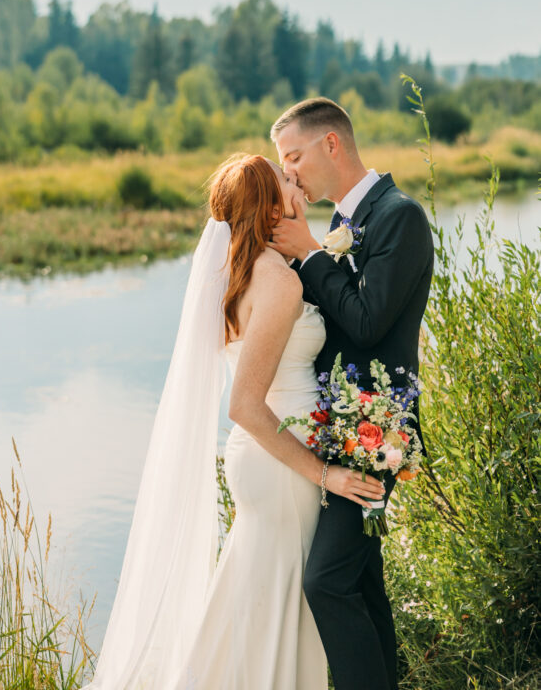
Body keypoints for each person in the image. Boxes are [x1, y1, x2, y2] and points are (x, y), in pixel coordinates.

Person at [87, 152, 385, 690]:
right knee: (279, 610)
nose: (294, 180)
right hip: (283, 463)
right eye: (284, 179)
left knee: (256, 599)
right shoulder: (278, 283)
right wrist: (326, 474)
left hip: (266, 458)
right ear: (271, 209)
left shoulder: (247, 274)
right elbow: (244, 405)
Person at [269, 97, 434, 690]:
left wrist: (311, 252)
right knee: (361, 581)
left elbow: (366, 322)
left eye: (294, 157)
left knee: (326, 581)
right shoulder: (339, 225)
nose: (289, 172)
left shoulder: (400, 216)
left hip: (376, 431)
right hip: (332, 425)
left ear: (331, 144)